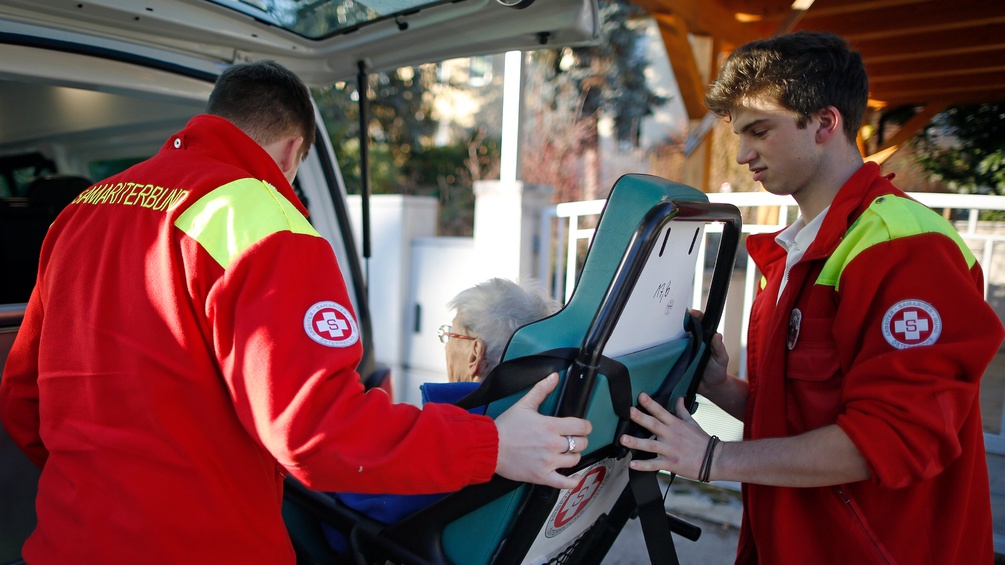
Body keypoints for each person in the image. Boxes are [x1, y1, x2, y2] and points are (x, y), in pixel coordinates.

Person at [0, 60, 590, 565]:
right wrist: (490, 445)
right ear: (292, 149)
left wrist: (99, 486)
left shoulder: (84, 210)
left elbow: (23, 395)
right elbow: (314, 431)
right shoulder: (261, 221)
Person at [619, 31, 1004, 564]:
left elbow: (892, 438)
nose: (743, 154)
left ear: (825, 123)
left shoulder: (906, 247)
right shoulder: (796, 252)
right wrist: (718, 386)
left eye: (760, 131)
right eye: (740, 134)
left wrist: (713, 458)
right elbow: (797, 418)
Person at [325, 277, 561, 551]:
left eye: (451, 334)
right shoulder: (545, 431)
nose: (446, 344)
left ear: (475, 353)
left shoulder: (453, 436)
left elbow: (348, 497)